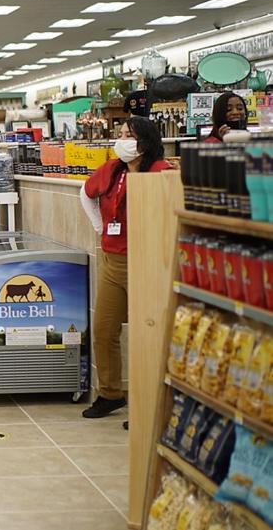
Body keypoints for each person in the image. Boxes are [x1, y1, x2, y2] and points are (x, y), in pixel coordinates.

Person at [80, 117, 170, 423]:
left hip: (145, 262)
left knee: (148, 333)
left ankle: (149, 404)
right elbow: (85, 193)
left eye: (128, 135)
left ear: (144, 141)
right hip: (112, 261)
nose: (121, 140)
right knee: (104, 331)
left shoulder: (161, 172)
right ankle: (110, 394)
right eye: (120, 135)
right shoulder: (113, 169)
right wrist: (99, 226)